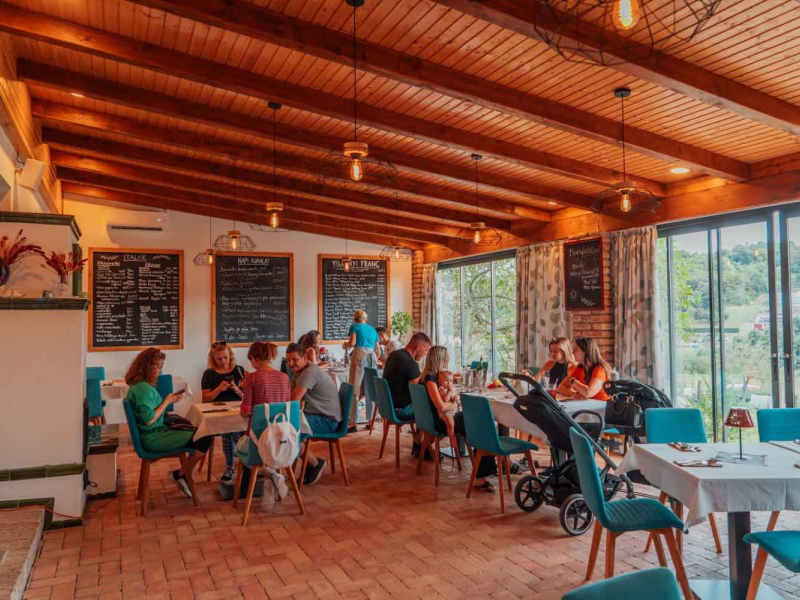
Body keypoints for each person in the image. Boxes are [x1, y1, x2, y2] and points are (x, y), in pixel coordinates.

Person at [125, 347, 211, 498]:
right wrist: (167, 402)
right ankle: (181, 474)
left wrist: (169, 401)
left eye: (161, 367)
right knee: (205, 437)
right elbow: (149, 419)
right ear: (147, 366)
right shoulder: (143, 389)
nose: (159, 372)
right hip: (153, 437)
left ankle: (184, 475)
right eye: (157, 367)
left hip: (154, 433)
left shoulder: (138, 385)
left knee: (199, 435)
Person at [422, 346, 497, 491]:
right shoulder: (431, 380)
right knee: (481, 422)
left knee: (477, 420)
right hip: (441, 421)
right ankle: (483, 473)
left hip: (439, 418)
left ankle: (490, 464)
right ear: (440, 360)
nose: (448, 360)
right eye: (446, 358)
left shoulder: (430, 377)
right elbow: (441, 407)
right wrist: (456, 404)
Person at [240, 342, 292, 510]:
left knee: (239, 449)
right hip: (281, 438)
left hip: (258, 439)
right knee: (267, 454)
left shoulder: (252, 378)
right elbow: (287, 406)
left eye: (251, 360)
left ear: (254, 358)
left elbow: (245, 412)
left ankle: (272, 475)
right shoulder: (284, 377)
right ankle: (270, 483)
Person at [285, 343, 342, 485]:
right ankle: (307, 465)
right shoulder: (300, 370)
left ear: (305, 358)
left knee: (288, 432)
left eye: (294, 359)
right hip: (316, 414)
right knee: (285, 429)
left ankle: (315, 464)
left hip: (327, 420)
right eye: (288, 360)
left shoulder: (309, 372)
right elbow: (291, 395)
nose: (291, 364)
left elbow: (294, 399)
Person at [201, 340, 246, 485]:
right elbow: (205, 399)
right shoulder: (209, 373)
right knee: (228, 430)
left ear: (230, 355)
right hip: (219, 413)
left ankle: (236, 462)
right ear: (213, 358)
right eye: (219, 359)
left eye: (225, 357)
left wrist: (237, 390)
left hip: (238, 412)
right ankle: (240, 456)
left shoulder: (239, 370)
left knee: (235, 429)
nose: (223, 361)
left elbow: (246, 397)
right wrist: (219, 389)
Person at [382, 332, 432, 454]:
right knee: (432, 408)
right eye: (426, 350)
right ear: (418, 347)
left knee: (425, 405)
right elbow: (418, 393)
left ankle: (419, 444)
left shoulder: (393, 355)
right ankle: (423, 446)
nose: (425, 354)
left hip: (388, 407)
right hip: (401, 410)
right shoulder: (410, 363)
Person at [342, 310, 380, 429]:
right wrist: (375, 358)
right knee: (370, 388)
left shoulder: (355, 327)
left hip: (359, 353)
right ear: (365, 319)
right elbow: (378, 350)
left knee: (355, 386)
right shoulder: (373, 330)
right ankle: (370, 422)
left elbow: (352, 343)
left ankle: (353, 423)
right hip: (372, 356)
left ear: (355, 318)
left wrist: (345, 345)